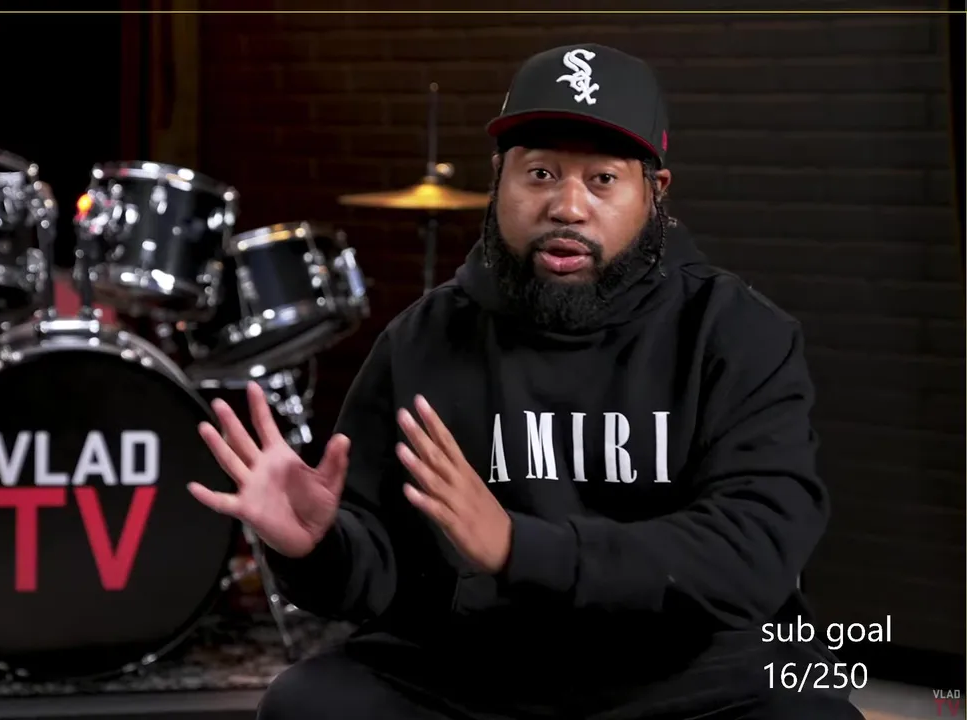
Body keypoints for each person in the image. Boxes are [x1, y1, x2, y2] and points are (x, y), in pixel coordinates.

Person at [188, 44, 864, 720]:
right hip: (476, 670)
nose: (567, 206)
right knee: (307, 705)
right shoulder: (425, 338)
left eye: (602, 180)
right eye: (540, 173)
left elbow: (753, 549)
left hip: (688, 673)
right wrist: (319, 546)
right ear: (498, 179)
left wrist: (520, 547)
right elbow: (380, 569)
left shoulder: (736, 332)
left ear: (655, 193)